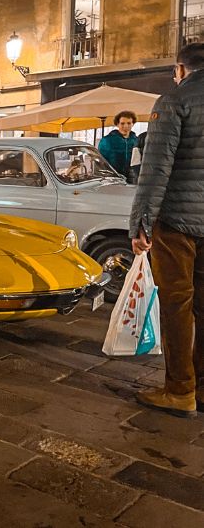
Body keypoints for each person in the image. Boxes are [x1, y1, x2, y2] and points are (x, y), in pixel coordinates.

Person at [130, 42, 204, 418]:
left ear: (180, 70)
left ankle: (180, 390)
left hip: (177, 223)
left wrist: (141, 222)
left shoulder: (174, 100)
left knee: (177, 305)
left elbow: (155, 168)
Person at [98, 110, 138, 179]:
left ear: (133, 124)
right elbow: (101, 161)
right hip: (112, 178)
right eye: (122, 123)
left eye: (129, 123)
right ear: (117, 124)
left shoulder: (136, 141)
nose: (126, 126)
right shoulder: (107, 141)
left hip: (133, 178)